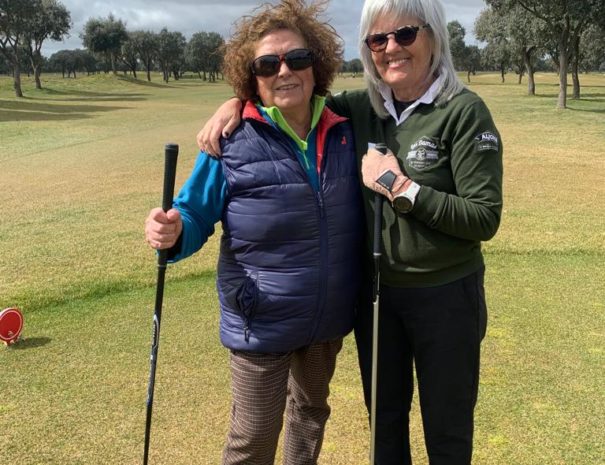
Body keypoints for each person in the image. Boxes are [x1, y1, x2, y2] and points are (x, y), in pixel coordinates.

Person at [197, 0, 503, 463]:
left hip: (446, 296)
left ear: (434, 36)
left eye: (405, 34)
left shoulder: (462, 110)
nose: (390, 49)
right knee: (384, 427)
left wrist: (399, 186)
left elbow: (484, 217)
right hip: (376, 300)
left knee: (448, 429)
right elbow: (289, 98)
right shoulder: (358, 109)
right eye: (377, 40)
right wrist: (236, 102)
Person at [144, 1, 364, 464]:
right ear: (252, 77)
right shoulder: (232, 139)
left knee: (310, 415)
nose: (284, 71)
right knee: (254, 435)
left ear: (316, 64)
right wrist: (173, 231)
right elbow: (193, 215)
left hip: (327, 317)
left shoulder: (346, 129)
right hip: (259, 321)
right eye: (267, 64)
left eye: (297, 59)